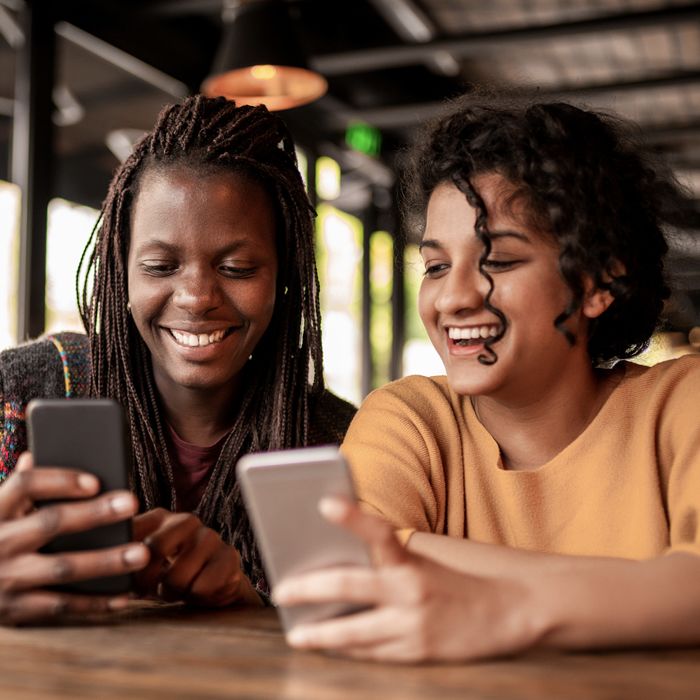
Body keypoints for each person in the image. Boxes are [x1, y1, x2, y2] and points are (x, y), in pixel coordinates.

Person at [272, 98, 700, 662]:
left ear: (599, 284)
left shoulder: (680, 404)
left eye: (497, 261)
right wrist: (647, 587)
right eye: (435, 266)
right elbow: (351, 569)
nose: (453, 297)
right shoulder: (410, 419)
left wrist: (504, 608)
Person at [0, 94, 356, 624]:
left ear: (284, 279)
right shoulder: (21, 390)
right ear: (122, 273)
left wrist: (247, 601)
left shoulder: (341, 443)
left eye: (236, 268)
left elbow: (351, 640)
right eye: (161, 266)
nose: (196, 297)